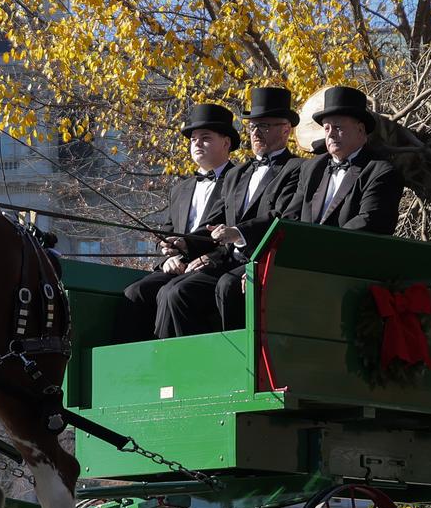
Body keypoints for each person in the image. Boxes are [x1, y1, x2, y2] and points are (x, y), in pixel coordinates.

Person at [173, 85, 310, 332]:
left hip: (265, 259)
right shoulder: (237, 173)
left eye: (265, 126)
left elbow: (283, 216)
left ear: (286, 129)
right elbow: (215, 221)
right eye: (252, 126)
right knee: (177, 291)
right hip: (228, 259)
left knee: (227, 286)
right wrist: (185, 243)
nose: (256, 132)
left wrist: (237, 232)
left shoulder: (297, 168)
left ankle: (238, 364)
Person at [114, 101, 241, 341]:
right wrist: (168, 257)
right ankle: (131, 367)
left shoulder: (239, 182)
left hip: (215, 266)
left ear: (226, 143)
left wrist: (208, 258)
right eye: (193, 139)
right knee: (135, 292)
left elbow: (234, 234)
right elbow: (166, 233)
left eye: (205, 138)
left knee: (173, 294)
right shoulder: (180, 189)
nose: (197, 144)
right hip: (178, 267)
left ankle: (172, 364)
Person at [296, 85, 404, 235]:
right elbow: (291, 218)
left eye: (338, 127)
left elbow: (370, 222)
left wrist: (319, 246)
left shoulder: (381, 172)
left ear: (360, 130)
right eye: (327, 128)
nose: (331, 134)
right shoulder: (310, 168)